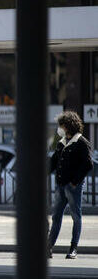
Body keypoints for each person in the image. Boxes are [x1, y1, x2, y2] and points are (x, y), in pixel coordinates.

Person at [48, 111, 93, 259]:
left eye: (61, 125)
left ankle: (73, 248)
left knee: (76, 216)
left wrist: (75, 181)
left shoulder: (81, 142)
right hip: (60, 185)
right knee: (56, 217)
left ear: (68, 126)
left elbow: (88, 164)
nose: (59, 128)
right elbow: (54, 161)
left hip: (73, 186)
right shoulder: (62, 142)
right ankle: (48, 248)